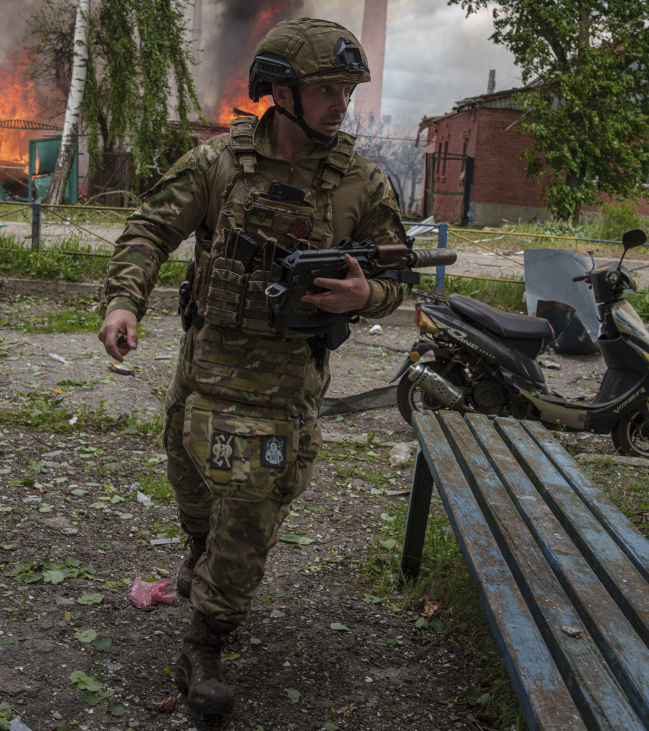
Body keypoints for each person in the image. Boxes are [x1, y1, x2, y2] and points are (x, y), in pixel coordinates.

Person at [96, 17, 409, 715]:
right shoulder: (222, 163)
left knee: (248, 515)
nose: (340, 103)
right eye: (326, 88)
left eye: (346, 90)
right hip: (204, 370)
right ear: (279, 91)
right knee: (192, 486)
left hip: (283, 389)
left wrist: (368, 294)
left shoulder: (360, 183)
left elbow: (400, 274)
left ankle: (205, 642)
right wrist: (125, 302)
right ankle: (197, 555)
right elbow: (151, 226)